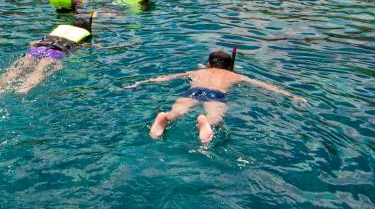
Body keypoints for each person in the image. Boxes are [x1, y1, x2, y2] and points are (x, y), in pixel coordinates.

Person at [127, 49, 306, 144]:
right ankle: (206, 123)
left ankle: (165, 118)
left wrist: (140, 83)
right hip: (215, 95)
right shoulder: (235, 76)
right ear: (228, 66)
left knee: (177, 112)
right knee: (214, 118)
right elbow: (265, 86)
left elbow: (167, 77)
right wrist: (291, 95)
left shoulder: (197, 71)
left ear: (208, 63)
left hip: (192, 91)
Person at [0, 15, 93, 94]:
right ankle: (23, 89)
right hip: (55, 53)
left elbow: (32, 43)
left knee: (17, 69)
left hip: (38, 49)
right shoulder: (82, 41)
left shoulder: (58, 33)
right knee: (39, 71)